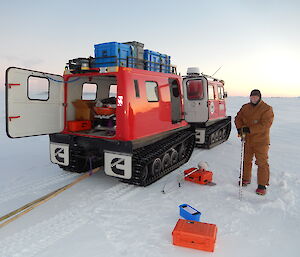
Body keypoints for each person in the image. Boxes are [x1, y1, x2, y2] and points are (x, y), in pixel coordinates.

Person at [234, 89, 274, 195]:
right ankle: (245, 178)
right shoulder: (245, 107)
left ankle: (262, 185)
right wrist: (239, 129)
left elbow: (265, 124)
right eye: (252, 97)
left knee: (262, 162)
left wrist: (249, 129)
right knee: (246, 160)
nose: (253, 99)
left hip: (261, 141)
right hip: (248, 140)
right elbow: (238, 118)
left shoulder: (267, 109)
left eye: (255, 97)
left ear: (259, 97)